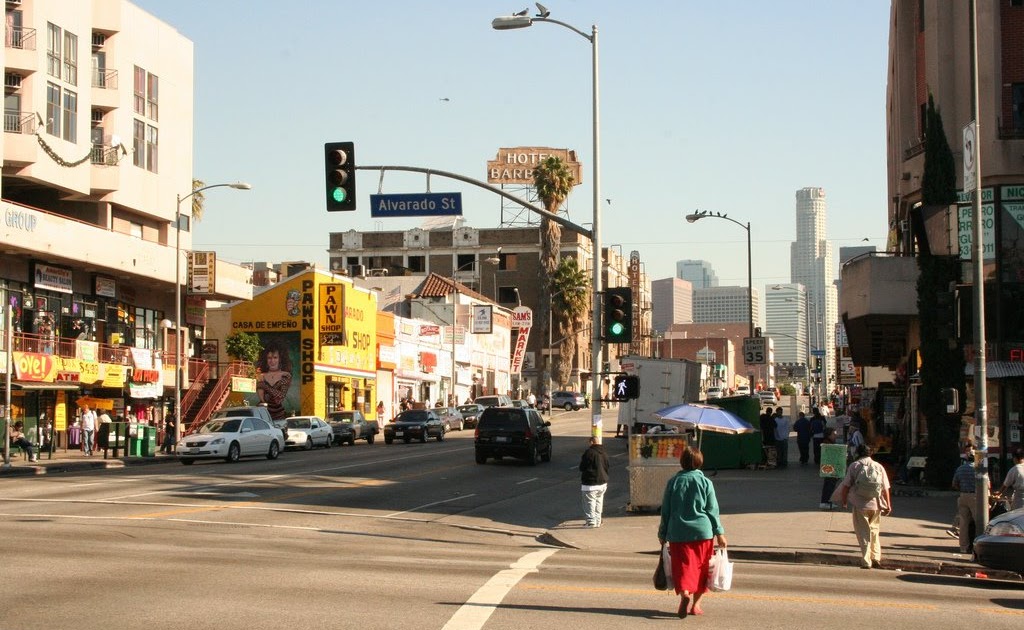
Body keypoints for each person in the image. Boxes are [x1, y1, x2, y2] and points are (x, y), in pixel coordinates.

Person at [658, 446, 728, 619]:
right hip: (703, 532)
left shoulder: (673, 482)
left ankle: (685, 593)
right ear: (699, 462)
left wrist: (662, 533)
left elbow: (666, 510)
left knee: (682, 567)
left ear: (682, 462)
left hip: (678, 532)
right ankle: (696, 605)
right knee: (702, 569)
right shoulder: (706, 482)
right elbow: (712, 510)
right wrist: (719, 533)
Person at [838, 443, 892, 569]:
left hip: (860, 505)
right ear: (870, 453)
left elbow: (846, 486)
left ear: (857, 453)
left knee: (863, 532)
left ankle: (866, 560)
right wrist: (888, 505)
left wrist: (844, 501)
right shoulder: (878, 466)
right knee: (874, 531)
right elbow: (885, 488)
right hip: (876, 505)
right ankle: (876, 557)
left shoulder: (855, 465)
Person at [951, 456, 988, 554]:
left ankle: (963, 547)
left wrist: (962, 489)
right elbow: (987, 485)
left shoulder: (960, 468)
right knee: (979, 521)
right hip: (976, 496)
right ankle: (979, 546)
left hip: (963, 495)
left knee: (963, 523)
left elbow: (954, 484)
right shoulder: (979, 469)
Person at [256, 340, 293, 421]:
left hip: (279, 415)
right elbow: (262, 399)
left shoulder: (286, 375)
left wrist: (264, 386)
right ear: (265, 359)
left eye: (275, 357)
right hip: (262, 414)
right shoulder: (261, 376)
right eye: (269, 358)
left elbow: (280, 397)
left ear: (280, 359)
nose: (272, 361)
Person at [579, 437, 609, 528]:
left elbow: (582, 467)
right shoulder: (604, 453)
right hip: (602, 482)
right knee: (599, 502)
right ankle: (598, 520)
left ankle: (591, 522)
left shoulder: (589, 452)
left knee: (589, 502)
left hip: (590, 482)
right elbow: (607, 466)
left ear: (591, 442)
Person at [819, 428, 841, 509]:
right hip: (830, 468)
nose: (835, 435)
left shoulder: (829, 442)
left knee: (829, 485)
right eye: (833, 434)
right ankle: (826, 502)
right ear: (829, 435)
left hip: (830, 468)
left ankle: (826, 502)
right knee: (829, 485)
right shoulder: (827, 443)